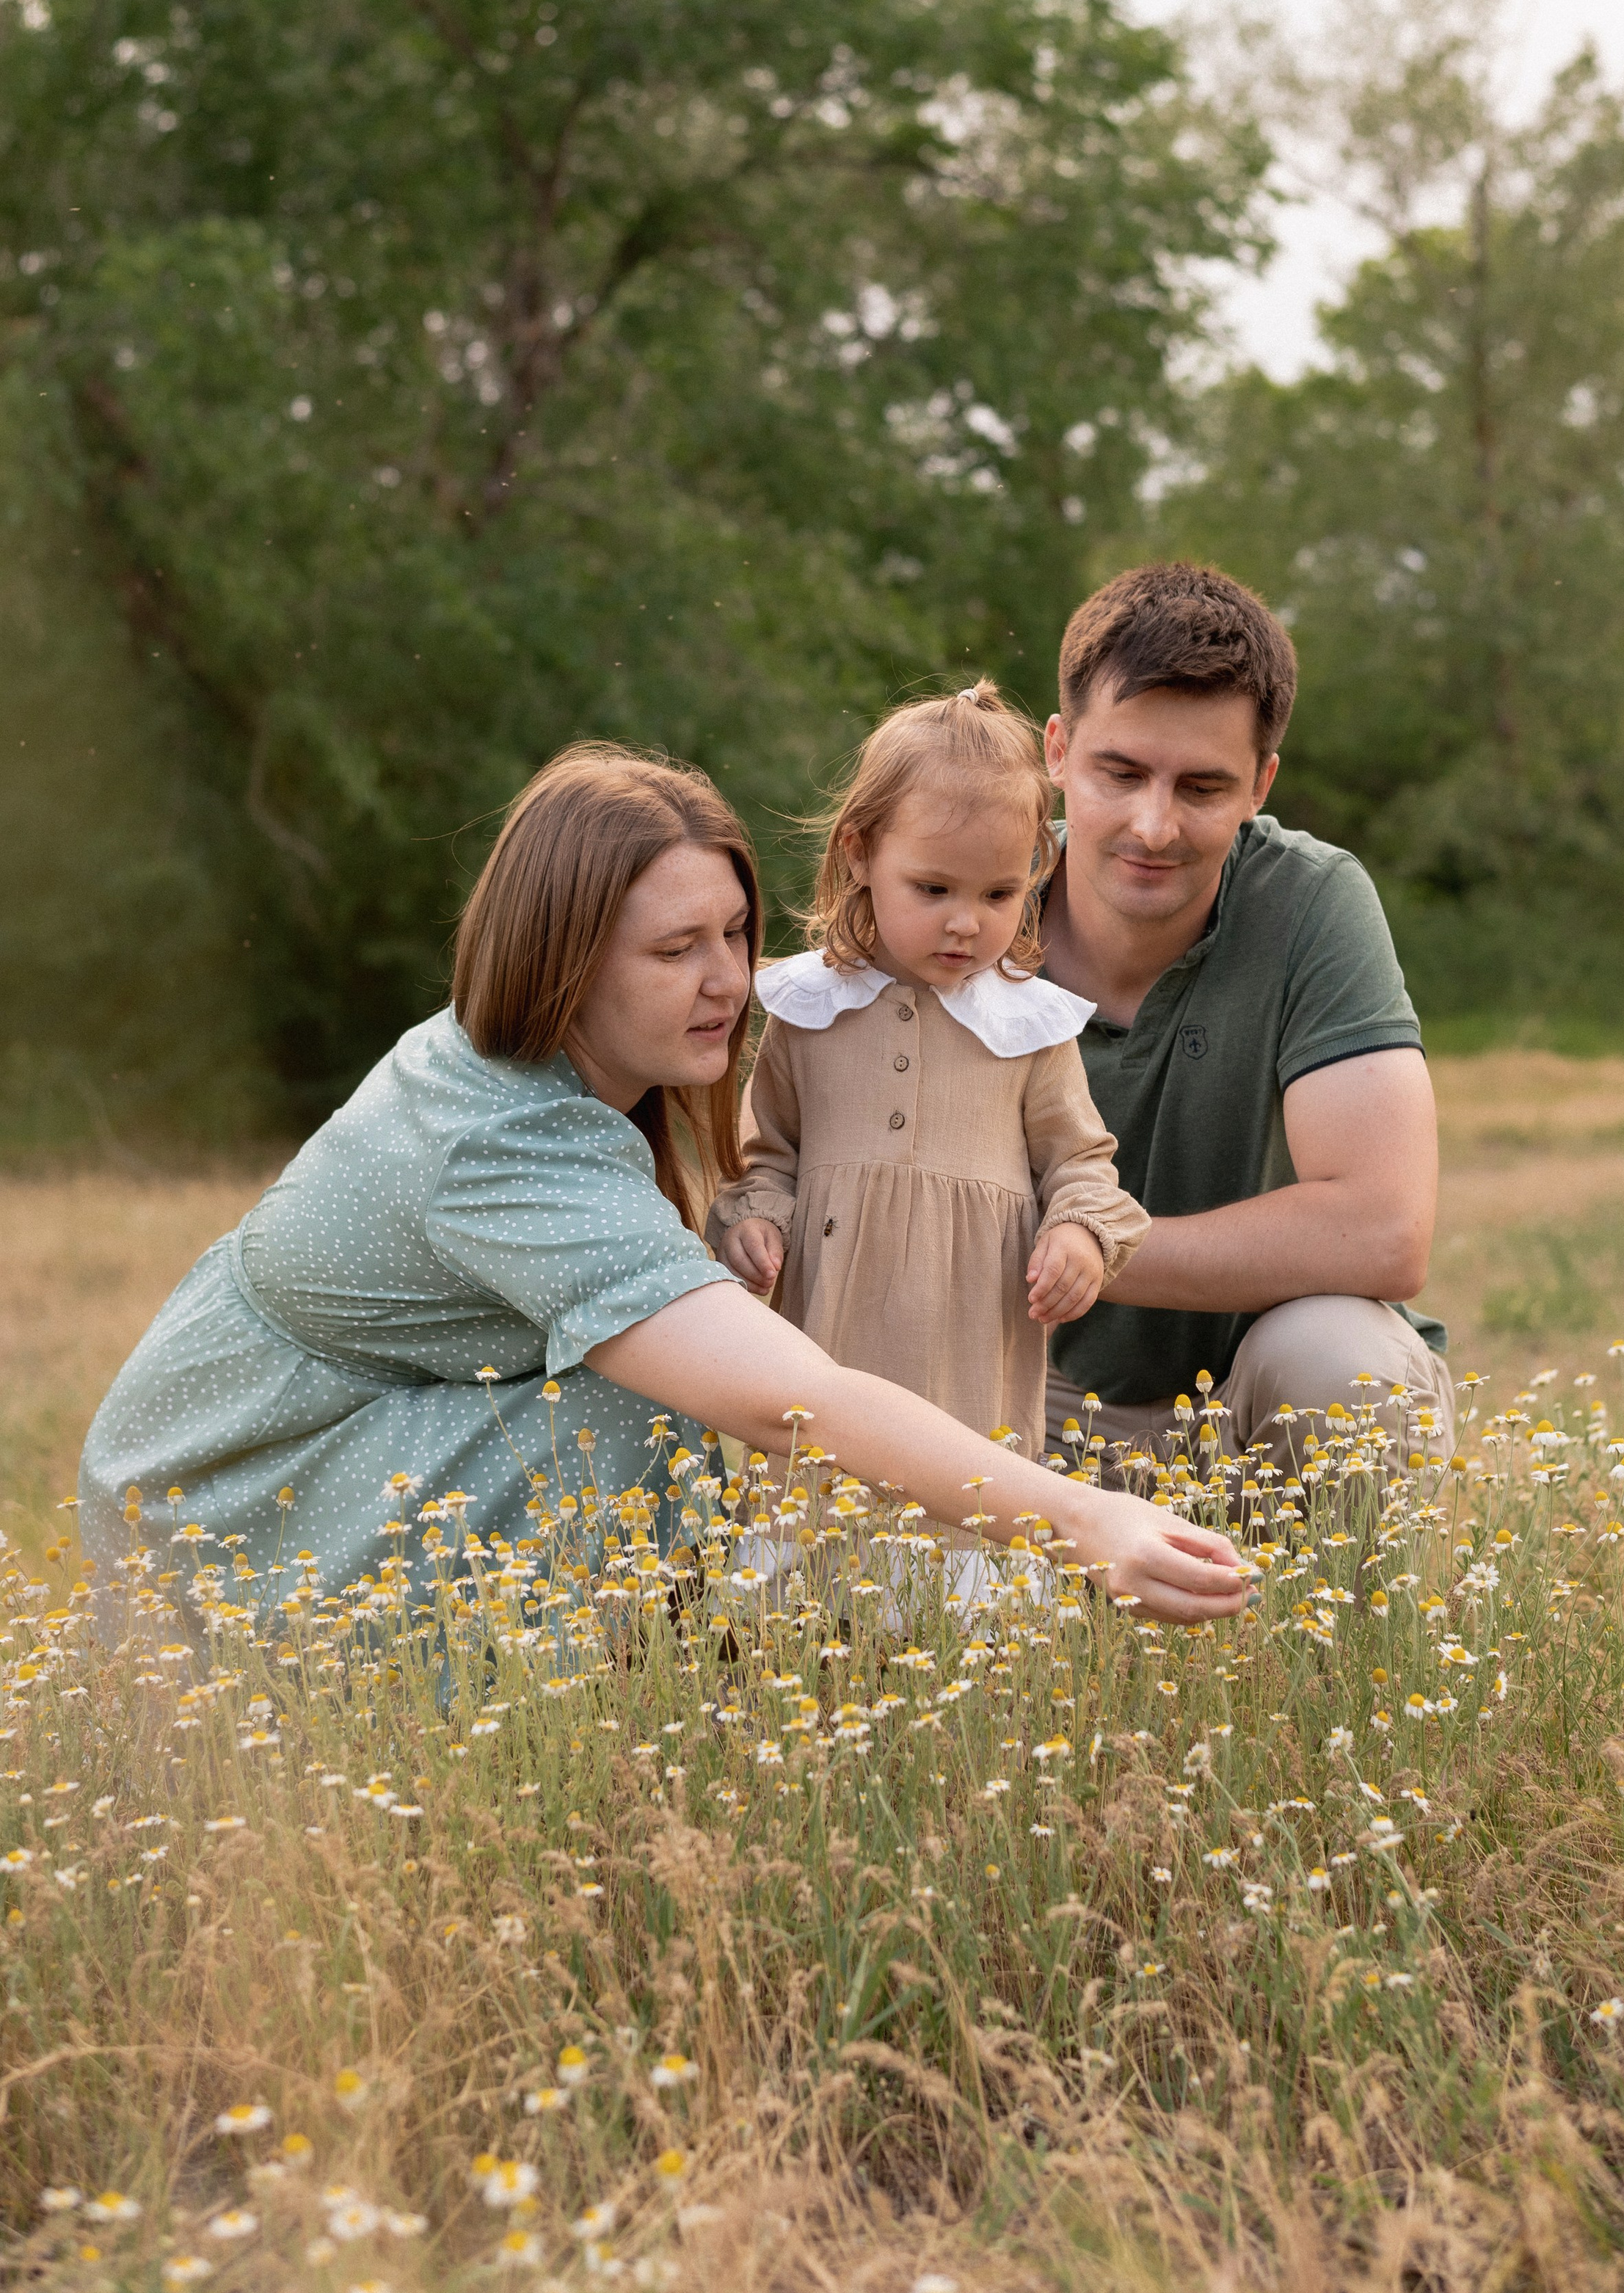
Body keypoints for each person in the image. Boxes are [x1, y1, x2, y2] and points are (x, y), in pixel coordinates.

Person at [78, 743, 1239, 1627]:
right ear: (563, 955)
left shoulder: (548, 1071)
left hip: (271, 1441)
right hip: (220, 1498)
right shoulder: (507, 1143)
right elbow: (796, 1400)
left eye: (735, 933)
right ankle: (572, 1697)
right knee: (641, 1399)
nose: (728, 980)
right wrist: (1084, 1520)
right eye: (674, 948)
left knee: (652, 1391)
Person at [1037, 563, 1452, 1480]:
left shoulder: (1312, 900)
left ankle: (1345, 1617)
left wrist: (1086, 1245)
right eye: (1121, 771)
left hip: (1241, 1398)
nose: (1153, 825)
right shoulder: (965, 899)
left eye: (1201, 787)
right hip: (1028, 1394)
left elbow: (1385, 1230)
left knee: (1340, 1361)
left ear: (1260, 783)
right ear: (1058, 751)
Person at [708, 682, 1146, 1458]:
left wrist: (1078, 1233)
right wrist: (755, 1220)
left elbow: (1079, 1163)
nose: (965, 921)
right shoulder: (811, 1008)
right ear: (861, 850)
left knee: (964, 1501)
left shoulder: (1027, 1024)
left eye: (1000, 892)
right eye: (933, 888)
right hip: (830, 1326)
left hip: (968, 1338)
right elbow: (765, 1153)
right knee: (823, 1504)